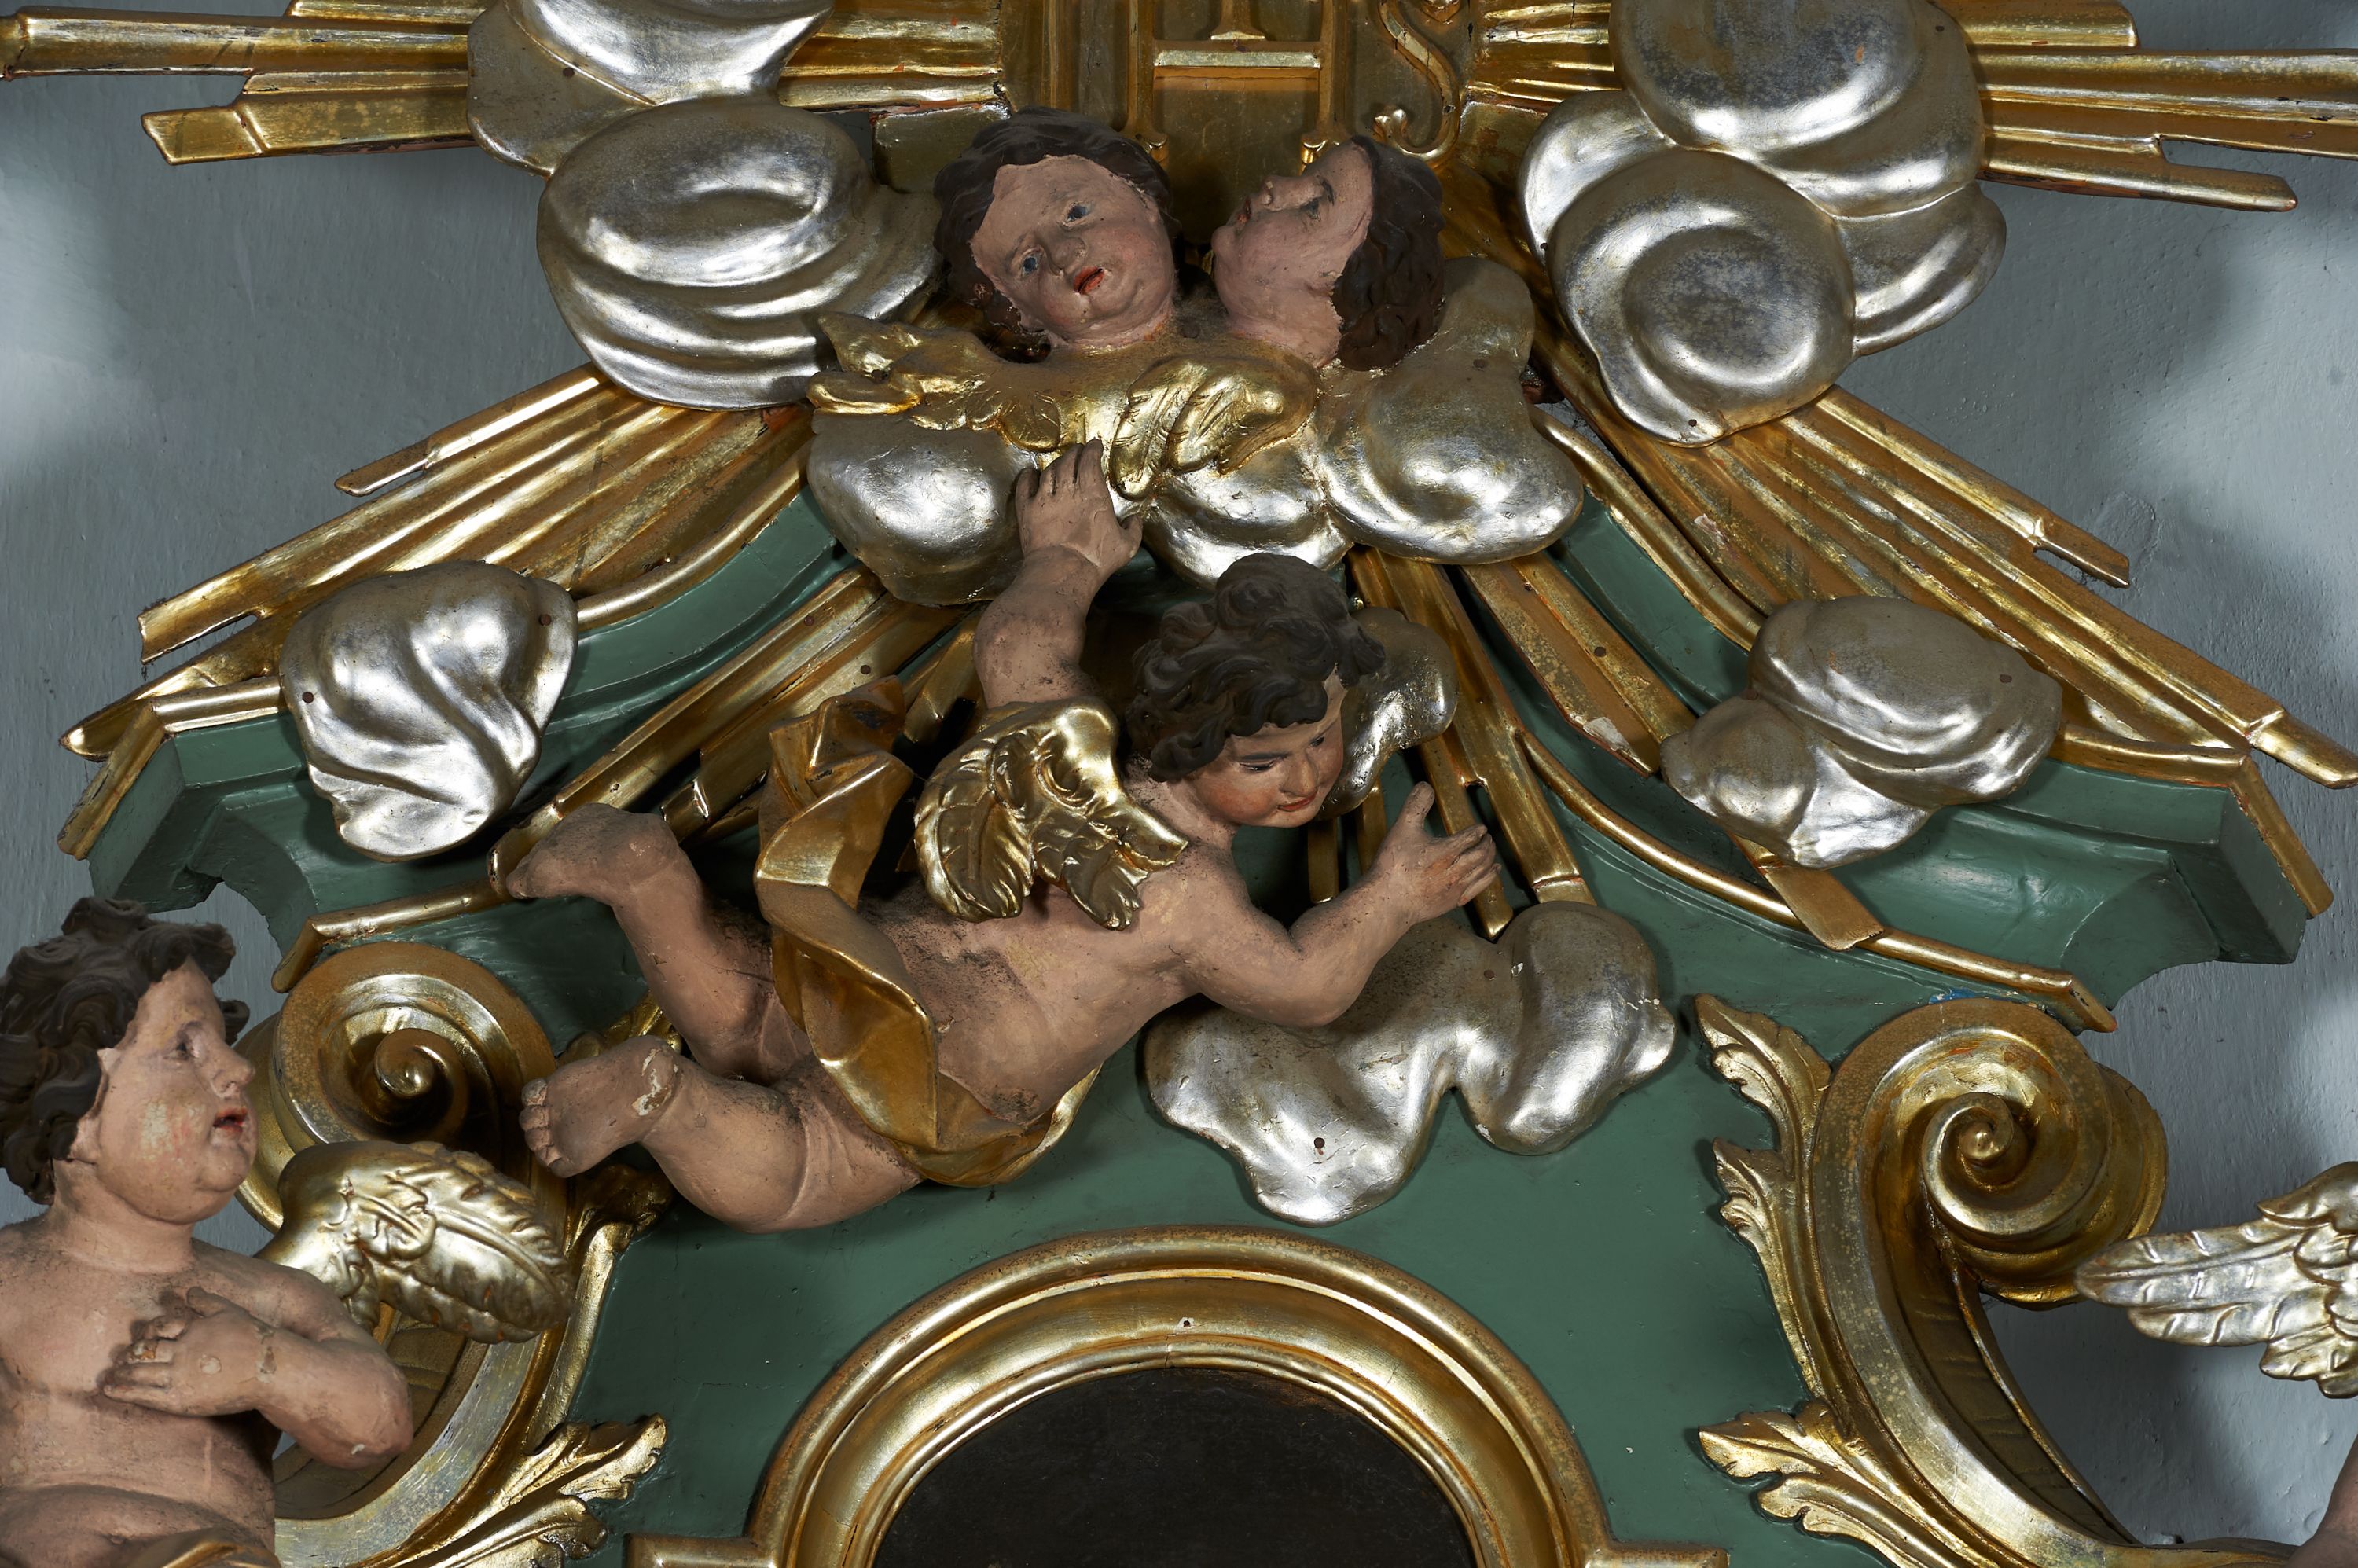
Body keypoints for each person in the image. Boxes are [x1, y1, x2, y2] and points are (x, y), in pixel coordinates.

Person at [507, 442, 1500, 1230]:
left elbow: (1021, 645)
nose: (1308, 778)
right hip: (953, 1069)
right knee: (801, 1166)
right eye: (1265, 760)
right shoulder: (1192, 897)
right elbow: (1306, 986)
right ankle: (663, 1101)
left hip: (863, 961)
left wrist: (1065, 557)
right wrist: (1393, 900)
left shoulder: (1069, 747)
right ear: (1190, 745)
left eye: (1323, 738)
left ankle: (645, 879)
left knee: (744, 1012)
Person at [0, 899, 411, 1568]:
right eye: (184, 1049)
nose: (238, 1068)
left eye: (222, 1041)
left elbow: (384, 1421)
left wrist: (267, 1365)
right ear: (76, 1121)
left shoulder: (268, 1298)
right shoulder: (10, 1279)